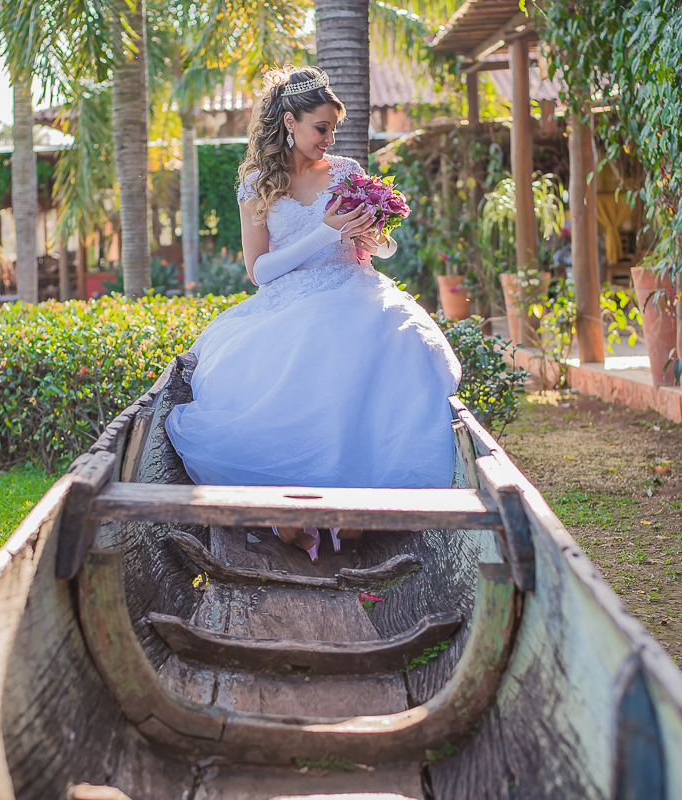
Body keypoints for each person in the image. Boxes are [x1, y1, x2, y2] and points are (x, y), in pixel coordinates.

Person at [165, 66, 461, 561]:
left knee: (385, 344)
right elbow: (260, 271)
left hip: (354, 288)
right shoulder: (257, 183)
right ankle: (294, 512)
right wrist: (325, 231)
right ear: (289, 121)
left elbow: (381, 248)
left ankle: (354, 508)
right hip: (290, 301)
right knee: (299, 361)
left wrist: (368, 235)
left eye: (332, 129)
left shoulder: (344, 171)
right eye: (320, 128)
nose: (328, 138)